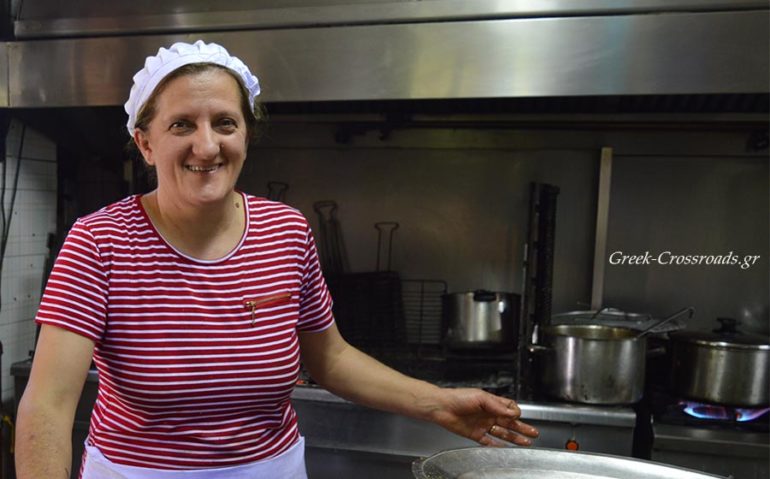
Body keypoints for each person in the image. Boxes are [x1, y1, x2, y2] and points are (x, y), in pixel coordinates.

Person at [15, 40, 539, 479]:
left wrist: (438, 403)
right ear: (145, 143)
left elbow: (329, 358)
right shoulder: (100, 242)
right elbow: (48, 405)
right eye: (181, 125)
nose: (207, 145)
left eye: (225, 123)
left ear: (246, 135)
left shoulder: (285, 231)